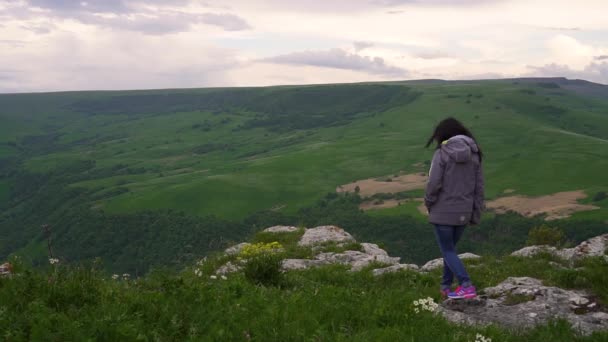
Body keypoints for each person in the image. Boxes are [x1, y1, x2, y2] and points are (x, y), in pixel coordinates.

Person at [424, 117, 484, 299]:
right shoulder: (475, 154)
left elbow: (434, 183)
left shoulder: (442, 153)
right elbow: (478, 188)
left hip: (443, 211)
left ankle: (466, 285)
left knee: (448, 251)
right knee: (450, 250)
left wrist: (429, 201)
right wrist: (476, 212)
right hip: (464, 212)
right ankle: (446, 287)